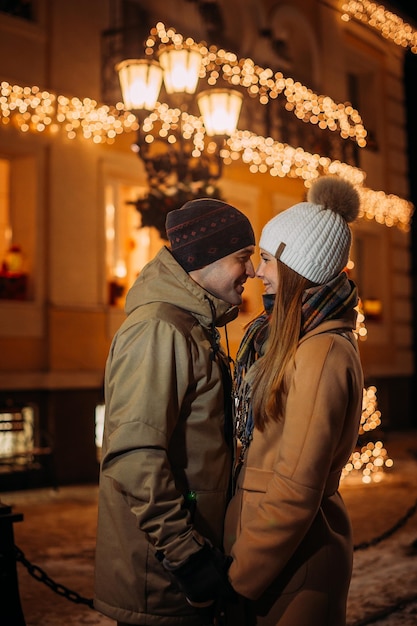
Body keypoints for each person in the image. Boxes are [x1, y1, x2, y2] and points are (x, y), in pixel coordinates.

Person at [94, 197, 255, 626]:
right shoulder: (159, 329)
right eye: (244, 257)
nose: (252, 271)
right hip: (164, 576)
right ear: (209, 258)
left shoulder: (189, 325)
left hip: (183, 569)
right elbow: (133, 455)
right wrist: (187, 558)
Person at [224, 176, 364, 626]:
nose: (257, 271)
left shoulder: (319, 354)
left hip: (293, 571)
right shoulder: (291, 340)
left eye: (267, 259)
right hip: (278, 564)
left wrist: (238, 579)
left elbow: (296, 487)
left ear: (296, 265)